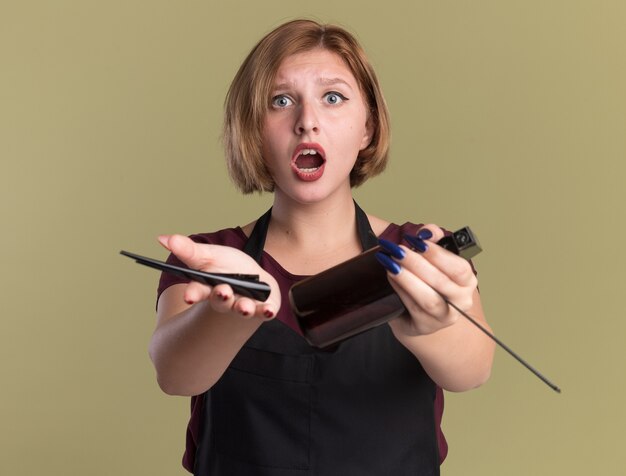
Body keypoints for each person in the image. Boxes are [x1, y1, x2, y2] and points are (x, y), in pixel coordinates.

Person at [152, 19, 495, 476]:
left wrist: (433, 323)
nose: (307, 121)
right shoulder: (211, 258)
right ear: (254, 130)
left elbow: (472, 372)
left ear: (367, 129)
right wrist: (227, 310)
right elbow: (174, 376)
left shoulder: (419, 254)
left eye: (332, 98)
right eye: (281, 101)